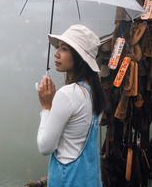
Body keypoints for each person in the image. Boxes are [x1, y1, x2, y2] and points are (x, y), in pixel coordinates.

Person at [37, 24, 105, 187]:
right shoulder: (93, 91)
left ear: (79, 57)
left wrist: (46, 107)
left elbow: (45, 146)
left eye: (65, 49)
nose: (57, 54)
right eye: (58, 48)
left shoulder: (67, 94)